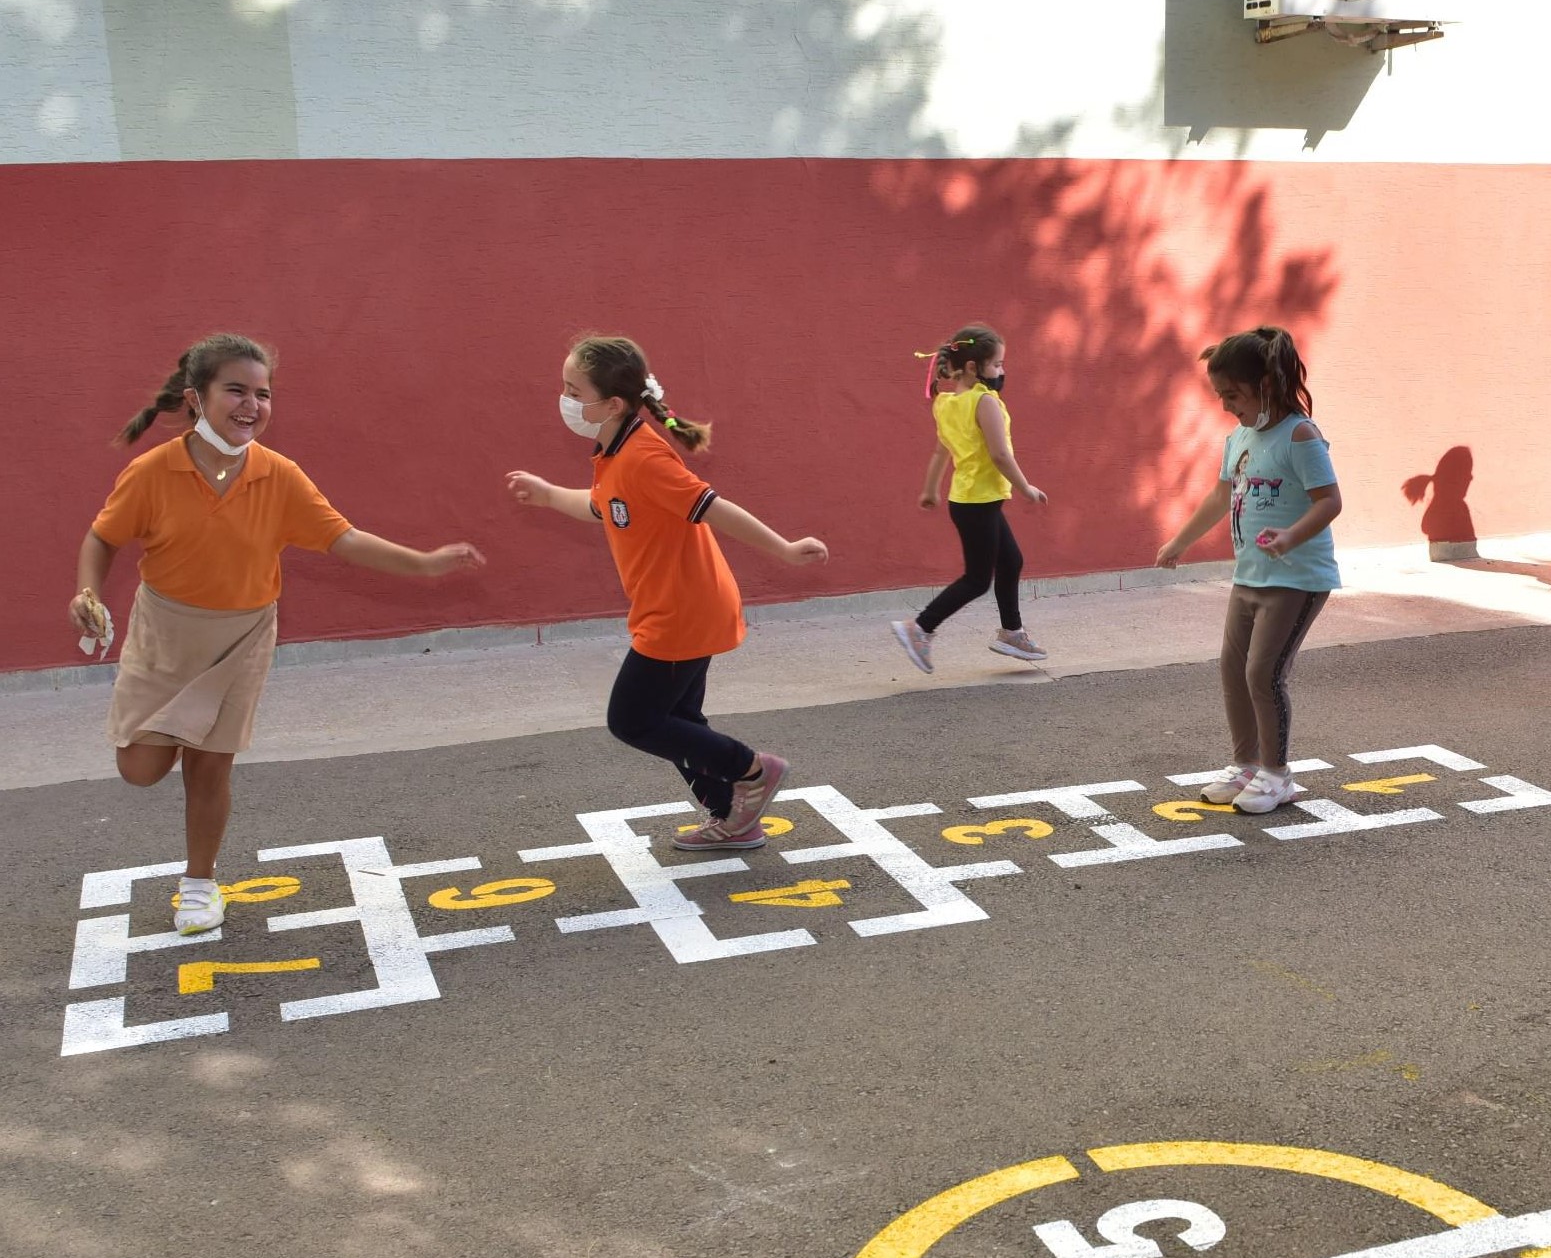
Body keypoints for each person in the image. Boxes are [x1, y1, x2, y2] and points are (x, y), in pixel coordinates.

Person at [70, 333, 484, 934]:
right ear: (196, 397)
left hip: (242, 636)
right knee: (141, 767)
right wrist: (85, 592)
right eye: (235, 390)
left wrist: (423, 563)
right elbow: (102, 538)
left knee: (210, 767)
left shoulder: (278, 475)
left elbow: (345, 539)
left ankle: (199, 883)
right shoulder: (152, 472)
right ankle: (182, 736)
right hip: (165, 633)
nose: (252, 405)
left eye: (262, 394)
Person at [506, 335, 828, 850]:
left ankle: (752, 772)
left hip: (682, 611)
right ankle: (734, 817)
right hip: (681, 605)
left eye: (573, 389)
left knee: (632, 719)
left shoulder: (644, 457)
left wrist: (784, 549)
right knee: (678, 720)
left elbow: (712, 505)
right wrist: (547, 496)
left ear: (611, 403)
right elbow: (602, 506)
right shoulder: (614, 452)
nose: (564, 398)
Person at [1154, 327, 1342, 815]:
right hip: (1250, 575)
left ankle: (1277, 775)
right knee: (1233, 668)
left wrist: (1289, 537)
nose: (1225, 405)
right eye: (1220, 395)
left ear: (1265, 384)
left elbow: (1330, 501)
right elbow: (1221, 496)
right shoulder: (1238, 437)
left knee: (1264, 672)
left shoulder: (1300, 435)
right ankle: (1247, 765)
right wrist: (1179, 541)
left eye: (1232, 394)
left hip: (1296, 579)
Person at [892, 322, 1048, 673]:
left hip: (970, 501)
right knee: (978, 579)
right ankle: (920, 628)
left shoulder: (946, 403)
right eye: (997, 365)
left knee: (1011, 561)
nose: (1002, 371)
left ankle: (1012, 632)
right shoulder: (985, 402)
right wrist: (1026, 488)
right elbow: (1000, 455)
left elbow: (939, 452)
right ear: (975, 368)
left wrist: (931, 489)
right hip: (978, 502)